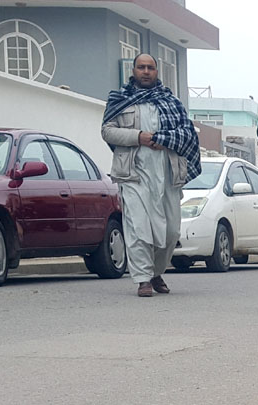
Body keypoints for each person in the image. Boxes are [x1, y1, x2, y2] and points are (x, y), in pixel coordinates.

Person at [101, 54, 202, 297]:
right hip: (133, 174)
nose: (146, 71)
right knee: (138, 228)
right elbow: (107, 132)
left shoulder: (171, 102)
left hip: (167, 173)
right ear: (133, 70)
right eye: (141, 67)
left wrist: (163, 139)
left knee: (171, 231)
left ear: (157, 71)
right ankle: (143, 279)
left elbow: (187, 133)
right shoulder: (120, 100)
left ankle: (156, 271)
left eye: (150, 68)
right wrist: (138, 137)